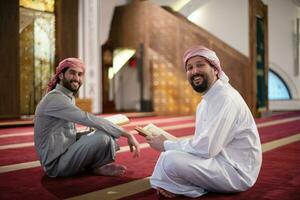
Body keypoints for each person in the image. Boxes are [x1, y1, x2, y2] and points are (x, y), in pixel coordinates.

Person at [146, 46, 262, 198]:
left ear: (215, 69)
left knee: (170, 158)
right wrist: (169, 144)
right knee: (168, 155)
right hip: (217, 161)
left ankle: (185, 188)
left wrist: (166, 144)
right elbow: (202, 146)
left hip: (235, 171)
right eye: (189, 68)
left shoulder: (226, 98)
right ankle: (178, 185)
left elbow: (207, 148)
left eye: (200, 65)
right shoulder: (204, 103)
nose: (194, 71)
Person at [34, 57, 140, 177]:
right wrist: (127, 134)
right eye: (72, 73)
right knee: (103, 136)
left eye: (80, 74)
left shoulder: (66, 96)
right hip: (56, 165)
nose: (77, 78)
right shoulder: (55, 98)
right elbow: (87, 119)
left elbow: (66, 132)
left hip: (64, 151)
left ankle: (96, 167)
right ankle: (96, 166)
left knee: (102, 130)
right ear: (61, 75)